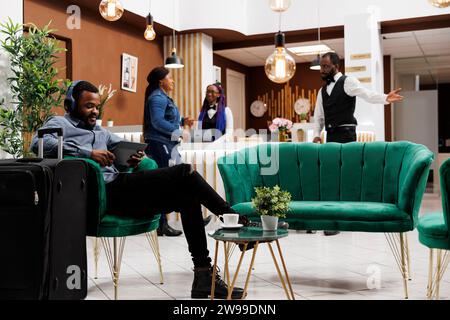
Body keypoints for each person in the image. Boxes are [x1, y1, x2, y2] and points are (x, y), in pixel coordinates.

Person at [30, 80, 244, 299]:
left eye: (96, 106)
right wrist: (87, 153)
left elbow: (123, 149)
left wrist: (133, 157)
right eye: (88, 106)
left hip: (123, 190)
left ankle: (203, 275)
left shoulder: (101, 132)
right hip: (101, 195)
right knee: (184, 172)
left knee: (188, 197)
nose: (94, 111)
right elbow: (38, 144)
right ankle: (234, 219)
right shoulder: (59, 123)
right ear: (70, 105)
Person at [312, 52, 404, 236]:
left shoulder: (348, 82)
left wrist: (386, 97)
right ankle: (331, 219)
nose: (322, 70)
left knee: (345, 176)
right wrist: (316, 134)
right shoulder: (322, 91)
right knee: (332, 177)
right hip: (330, 136)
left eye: (326, 66)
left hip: (346, 134)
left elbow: (367, 94)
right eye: (321, 66)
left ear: (336, 66)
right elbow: (319, 116)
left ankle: (343, 219)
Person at [143, 67, 200, 237]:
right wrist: (179, 131)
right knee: (166, 183)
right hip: (160, 144)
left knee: (181, 179)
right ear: (161, 81)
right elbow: (157, 122)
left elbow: (167, 118)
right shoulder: (157, 98)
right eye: (170, 78)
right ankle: (163, 224)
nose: (173, 81)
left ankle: (190, 216)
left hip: (167, 144)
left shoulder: (162, 97)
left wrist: (183, 121)